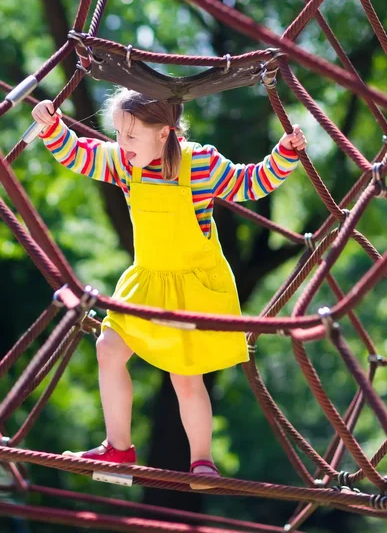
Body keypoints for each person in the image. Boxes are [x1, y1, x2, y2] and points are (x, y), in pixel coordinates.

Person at [31, 88, 306, 488]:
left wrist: (284, 153)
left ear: (164, 132)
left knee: (185, 377)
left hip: (193, 284)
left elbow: (251, 183)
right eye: (118, 135)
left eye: (130, 135)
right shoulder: (127, 163)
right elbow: (81, 154)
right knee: (108, 348)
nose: (122, 145)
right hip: (148, 280)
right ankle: (118, 449)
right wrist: (52, 126)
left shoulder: (199, 164)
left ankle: (202, 462)